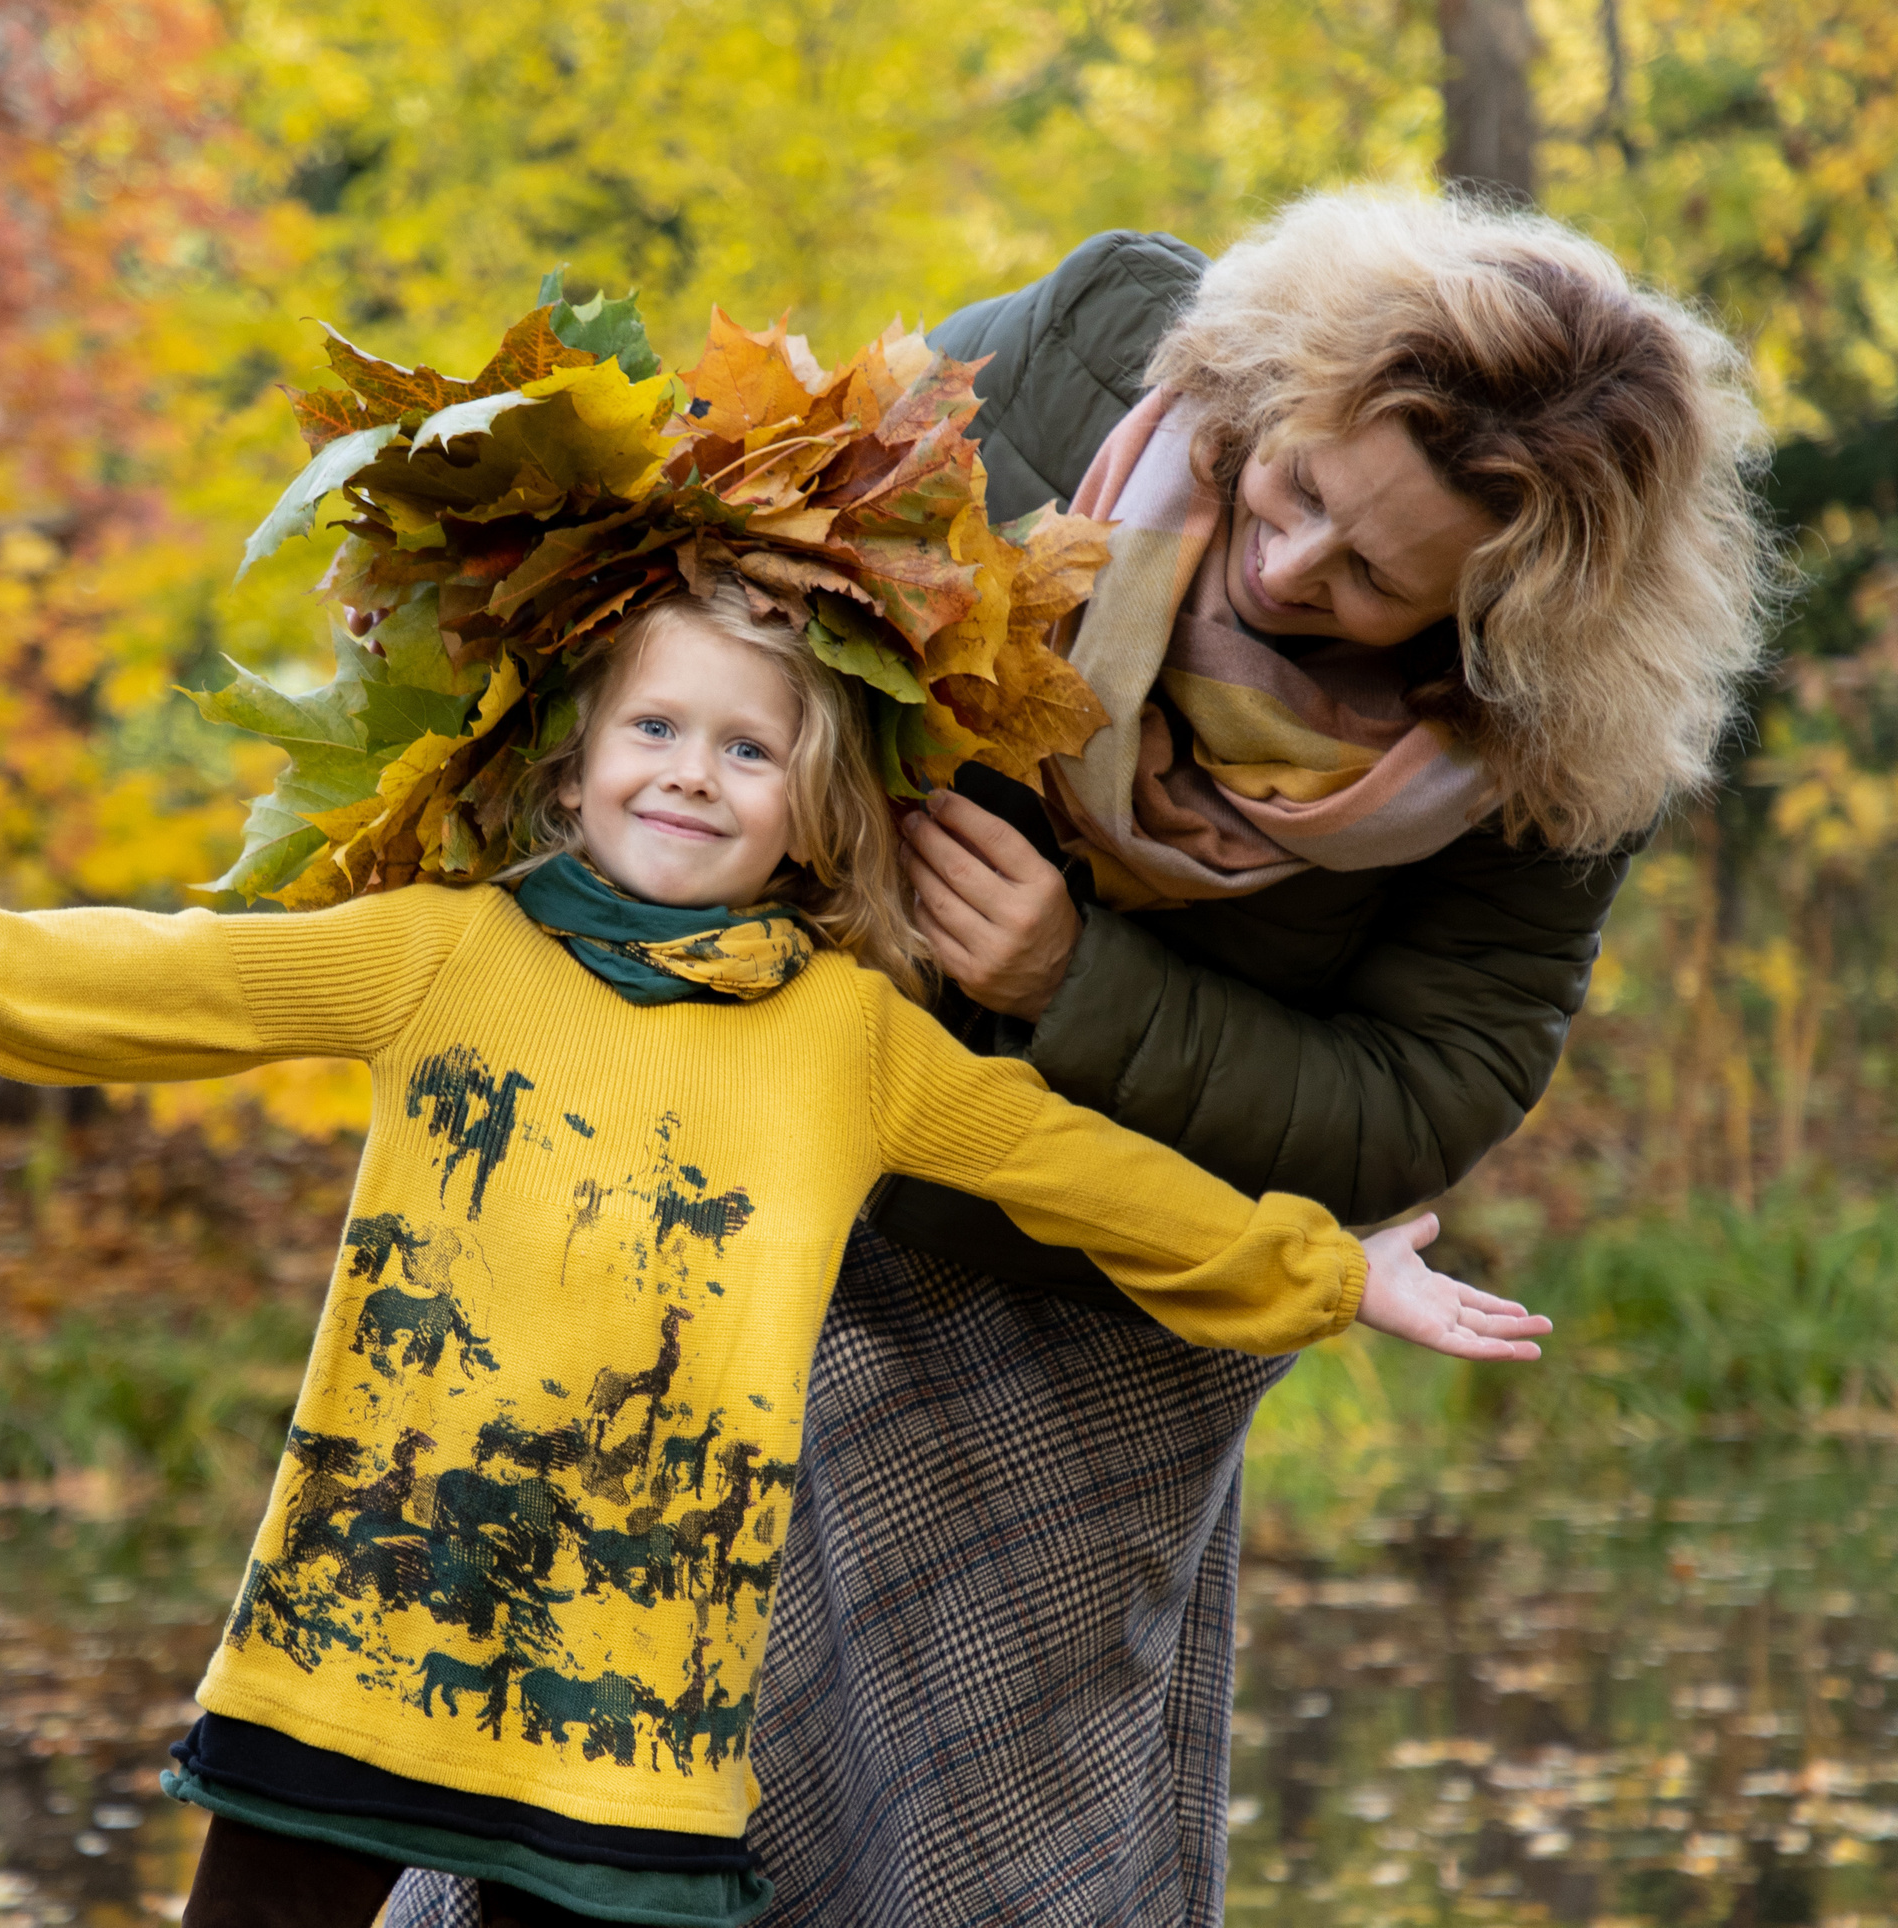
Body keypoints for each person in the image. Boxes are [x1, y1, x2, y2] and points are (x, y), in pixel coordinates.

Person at [0, 574, 1547, 1926]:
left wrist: (1327, 1274)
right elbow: (173, 976)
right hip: (363, 1636)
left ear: (814, 805)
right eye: (657, 727)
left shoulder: (854, 1040)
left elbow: (1089, 1177)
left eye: (745, 747)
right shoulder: (448, 953)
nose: (690, 772)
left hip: (633, 1692)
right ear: (578, 759)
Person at [701, 190, 1765, 1927]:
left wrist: (1077, 984)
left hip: (1100, 1302)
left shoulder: (1560, 749)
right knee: (615, 1790)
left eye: (1372, 582)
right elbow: (753, 591)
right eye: (1296, 494)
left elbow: (1418, 1105)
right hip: (763, 1194)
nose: (1287, 572)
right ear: (1279, 387)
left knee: (998, 1853)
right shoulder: (1070, 370)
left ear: (1504, 610)